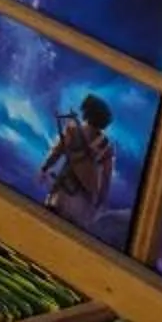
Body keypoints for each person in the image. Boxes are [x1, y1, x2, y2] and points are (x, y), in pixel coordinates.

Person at [41, 93, 119, 232]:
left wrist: (44, 168)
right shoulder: (106, 146)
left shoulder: (72, 130)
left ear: (87, 113)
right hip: (84, 198)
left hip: (63, 190)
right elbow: (106, 180)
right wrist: (99, 202)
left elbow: (57, 152)